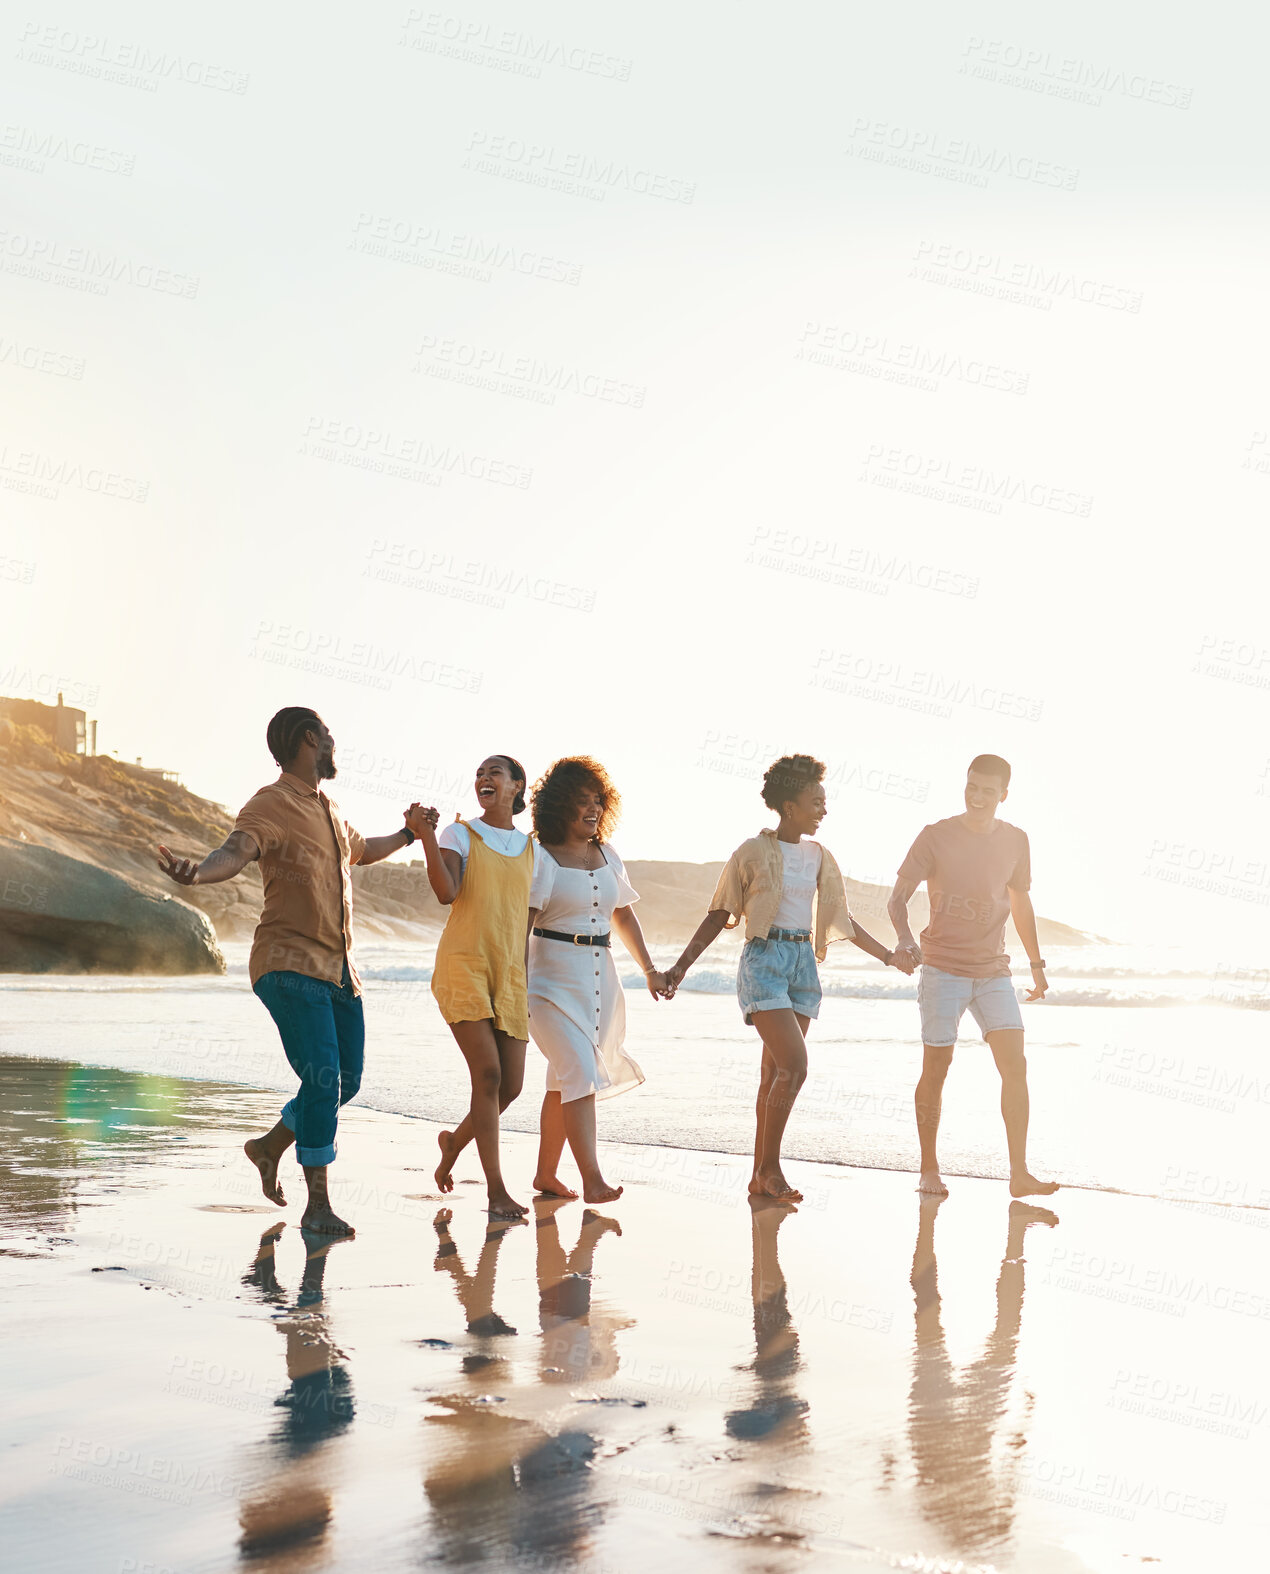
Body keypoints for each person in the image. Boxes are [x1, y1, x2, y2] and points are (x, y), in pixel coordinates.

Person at [157, 707, 419, 1236]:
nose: (332, 744)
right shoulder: (270, 802)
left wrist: (410, 834)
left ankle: (268, 1147)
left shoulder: (331, 809)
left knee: (345, 1081)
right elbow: (235, 850)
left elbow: (365, 851)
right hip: (288, 963)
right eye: (327, 736)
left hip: (339, 970)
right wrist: (198, 875)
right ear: (308, 740)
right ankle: (317, 1206)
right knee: (322, 1077)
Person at [664, 754, 912, 1203]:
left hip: (802, 965)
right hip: (764, 962)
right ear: (790, 805)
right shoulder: (752, 851)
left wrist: (890, 958)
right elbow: (721, 912)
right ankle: (771, 1168)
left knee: (775, 1074)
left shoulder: (820, 856)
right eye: (815, 801)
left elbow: (842, 918)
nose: (823, 809)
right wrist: (679, 968)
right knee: (795, 1068)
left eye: (824, 801)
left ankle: (760, 1176)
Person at [887, 753, 1057, 1199]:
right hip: (942, 968)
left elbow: (1020, 903)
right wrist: (906, 940)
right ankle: (928, 1168)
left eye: (987, 790)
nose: (977, 797)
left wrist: (1037, 966)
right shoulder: (935, 836)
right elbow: (897, 899)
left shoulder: (1017, 841)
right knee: (937, 1068)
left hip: (993, 971)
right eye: (971, 787)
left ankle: (1019, 1173)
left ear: (1003, 794)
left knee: (1015, 1065)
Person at [526, 756, 667, 1204]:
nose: (592, 809)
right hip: (547, 982)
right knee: (580, 1071)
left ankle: (546, 1175)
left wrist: (648, 970)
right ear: (558, 805)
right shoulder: (540, 856)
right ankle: (592, 1179)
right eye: (581, 801)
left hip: (599, 979)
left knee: (563, 1077)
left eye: (597, 801)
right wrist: (511, 983)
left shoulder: (608, 855)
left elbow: (622, 913)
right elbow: (522, 924)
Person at [409, 756, 540, 1220]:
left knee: (512, 1087)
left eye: (495, 773)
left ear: (517, 786)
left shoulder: (533, 850)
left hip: (510, 975)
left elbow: (526, 923)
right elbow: (446, 892)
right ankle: (496, 1191)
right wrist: (426, 836)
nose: (485, 778)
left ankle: (452, 1144)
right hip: (464, 964)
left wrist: (524, 984)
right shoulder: (460, 834)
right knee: (487, 1076)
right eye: (481, 773)